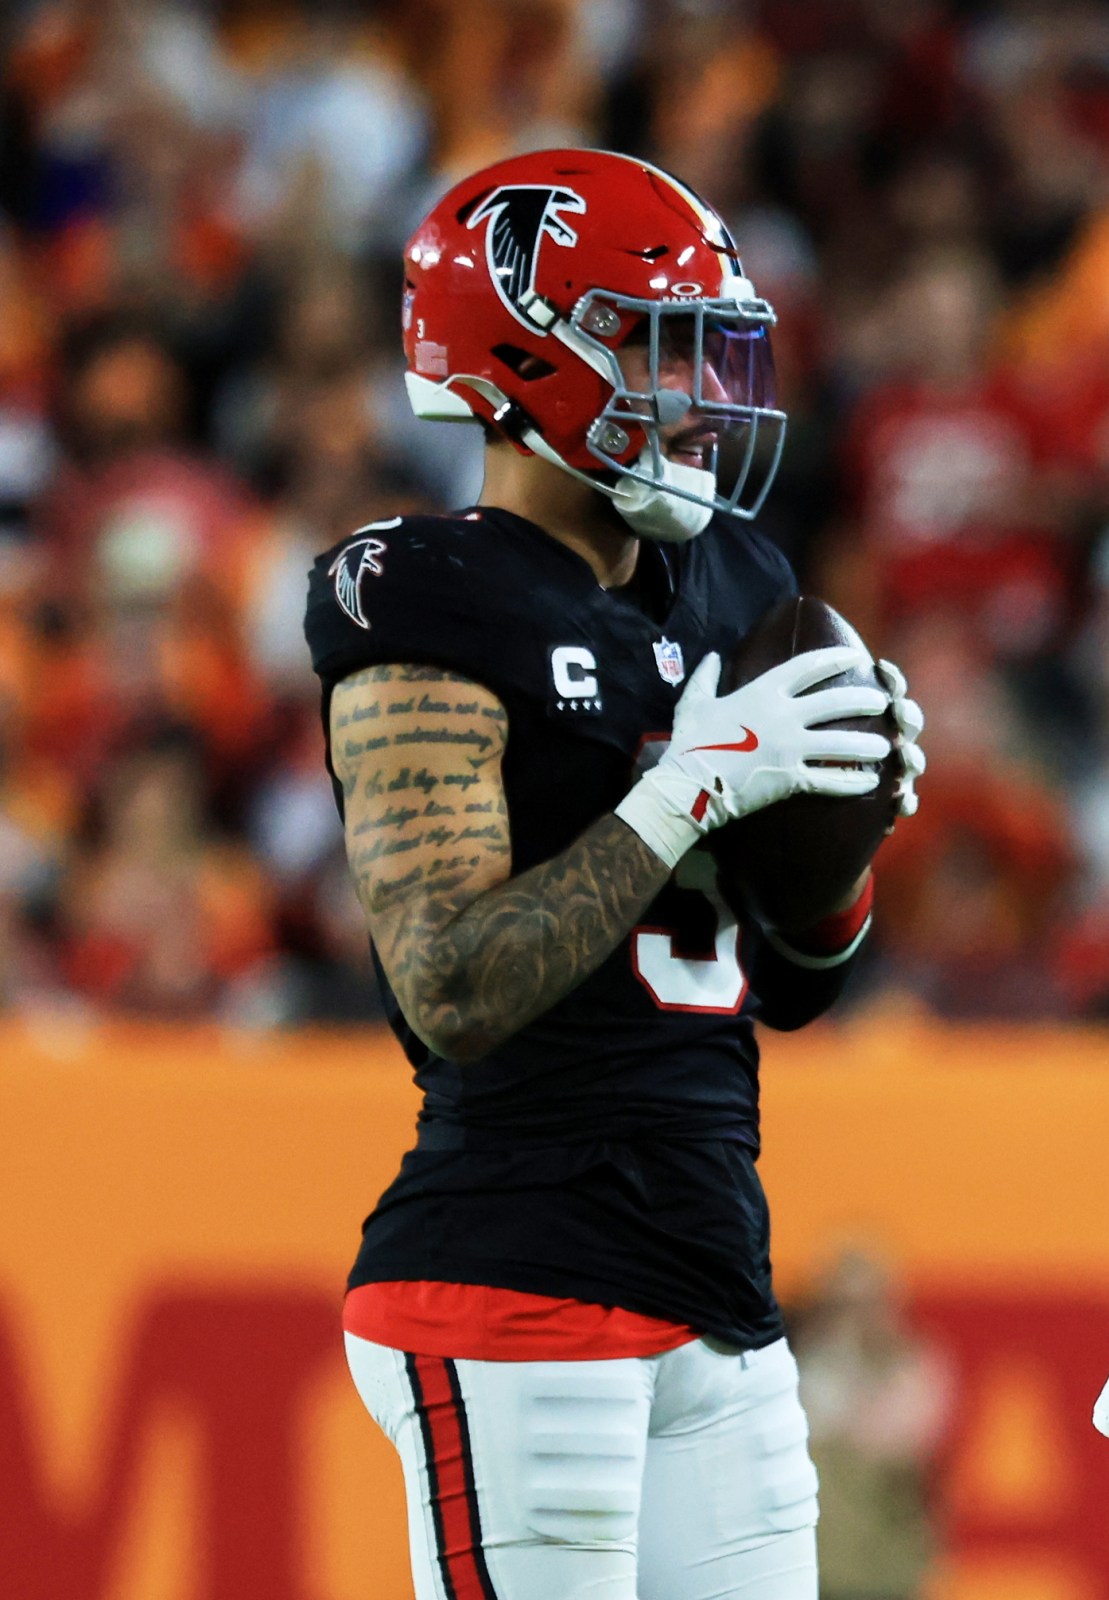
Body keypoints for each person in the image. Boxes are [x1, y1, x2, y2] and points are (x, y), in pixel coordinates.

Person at [310, 149, 926, 1600]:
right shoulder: (432, 593)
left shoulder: (739, 583)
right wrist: (691, 789)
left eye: (710, 352)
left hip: (715, 1277)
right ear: (529, 357)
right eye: (661, 348)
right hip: (510, 1270)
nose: (704, 397)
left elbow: (794, 988)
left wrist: (840, 839)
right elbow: (453, 985)